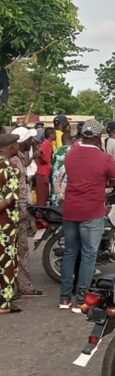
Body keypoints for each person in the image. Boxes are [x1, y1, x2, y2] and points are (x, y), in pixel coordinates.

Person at [59, 120, 115, 312]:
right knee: (88, 255)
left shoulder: (71, 153)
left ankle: (64, 298)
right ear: (98, 136)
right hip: (92, 211)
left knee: (70, 252)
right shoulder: (103, 158)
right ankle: (80, 300)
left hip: (70, 209)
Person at [10, 127, 44, 298]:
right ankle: (18, 286)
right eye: (30, 139)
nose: (33, 141)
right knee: (16, 251)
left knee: (20, 250)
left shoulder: (18, 158)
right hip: (14, 213)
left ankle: (22, 285)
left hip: (20, 212)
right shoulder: (13, 161)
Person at [0, 133, 22, 313]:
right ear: (10, 146)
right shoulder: (10, 169)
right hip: (5, 224)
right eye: (16, 143)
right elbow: (8, 201)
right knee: (7, 262)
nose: (18, 145)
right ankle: (4, 304)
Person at [36, 126, 55, 207]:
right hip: (42, 173)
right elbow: (39, 152)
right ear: (51, 135)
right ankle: (39, 217)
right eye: (54, 134)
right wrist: (46, 162)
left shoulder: (48, 143)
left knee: (45, 196)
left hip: (45, 173)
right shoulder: (46, 143)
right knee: (42, 198)